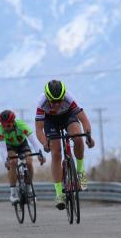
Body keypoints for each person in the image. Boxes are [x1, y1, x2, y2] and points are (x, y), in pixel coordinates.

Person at [35, 80, 95, 210]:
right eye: (53, 102)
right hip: (50, 121)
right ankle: (59, 194)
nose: (56, 104)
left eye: (59, 101)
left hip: (68, 116)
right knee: (56, 152)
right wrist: (45, 143)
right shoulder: (41, 103)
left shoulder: (69, 98)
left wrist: (88, 136)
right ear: (47, 98)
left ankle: (80, 171)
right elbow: (39, 130)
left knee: (78, 137)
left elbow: (84, 120)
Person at [0, 110, 45, 204]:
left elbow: (33, 141)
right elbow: (2, 148)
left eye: (8, 125)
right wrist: (5, 161)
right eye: (4, 125)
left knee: (29, 162)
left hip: (22, 144)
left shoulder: (21, 125)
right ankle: (13, 193)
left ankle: (29, 189)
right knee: (13, 162)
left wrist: (39, 154)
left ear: (13, 122)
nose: (6, 128)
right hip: (10, 147)